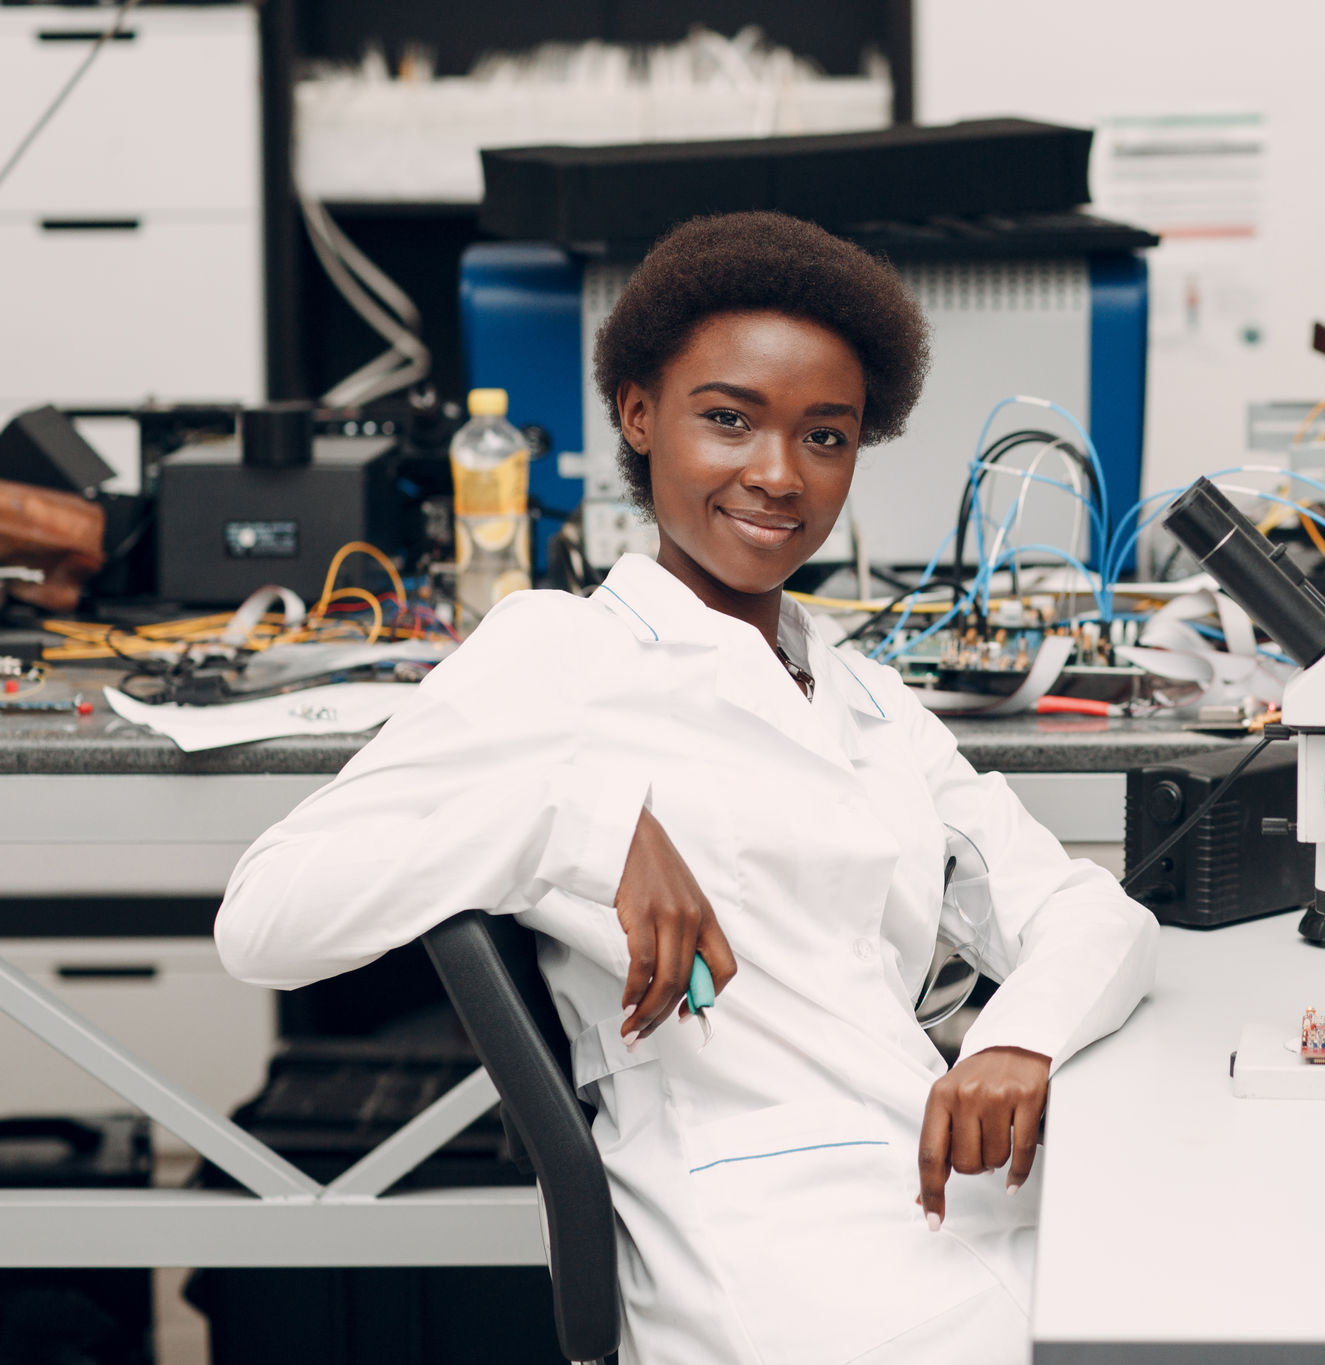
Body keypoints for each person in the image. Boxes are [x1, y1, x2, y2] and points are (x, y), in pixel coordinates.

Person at [214, 212, 1159, 1365]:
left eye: (826, 436)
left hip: (948, 1175)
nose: (777, 475)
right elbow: (263, 919)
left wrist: (1018, 1039)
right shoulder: (552, 652)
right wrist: (581, 825)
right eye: (728, 420)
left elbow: (1084, 912)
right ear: (638, 414)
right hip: (764, 1248)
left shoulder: (858, 691)